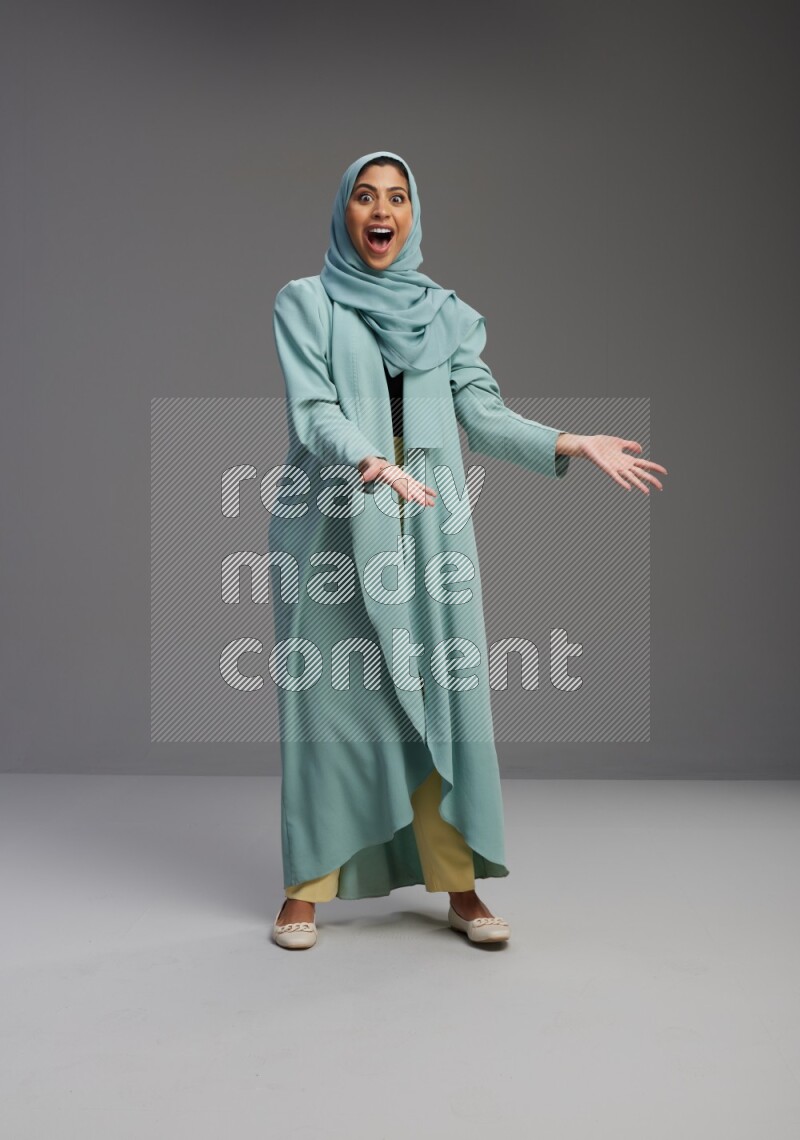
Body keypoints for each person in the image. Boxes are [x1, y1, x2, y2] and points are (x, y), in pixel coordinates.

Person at [269, 150, 667, 950]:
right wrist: (372, 462)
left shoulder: (446, 315)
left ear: (413, 217)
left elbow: (482, 417)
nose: (382, 211)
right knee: (328, 708)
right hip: (334, 529)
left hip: (427, 531)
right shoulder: (305, 303)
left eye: (398, 199)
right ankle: (306, 888)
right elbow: (314, 411)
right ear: (345, 212)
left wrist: (571, 441)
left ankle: (458, 884)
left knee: (440, 705)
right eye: (366, 198)